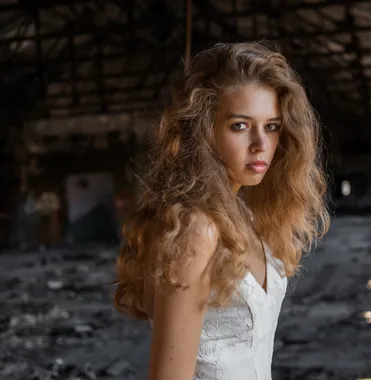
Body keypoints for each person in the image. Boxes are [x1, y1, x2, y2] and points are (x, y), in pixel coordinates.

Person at [113, 41, 330, 380]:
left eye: (271, 126)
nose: (260, 144)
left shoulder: (245, 216)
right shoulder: (194, 229)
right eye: (240, 126)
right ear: (204, 133)